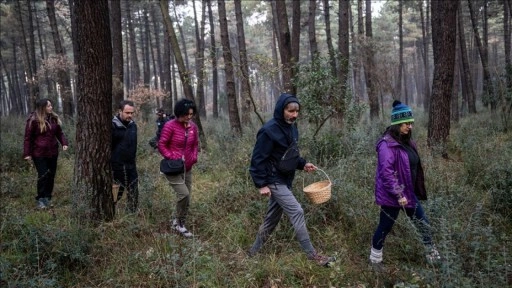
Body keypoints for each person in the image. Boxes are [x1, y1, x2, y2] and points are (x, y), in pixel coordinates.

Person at [247, 93, 336, 267]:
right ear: (281, 110)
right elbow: (257, 159)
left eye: (296, 111)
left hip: (285, 179)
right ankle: (314, 257)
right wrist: (261, 184)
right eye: (290, 111)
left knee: (271, 219)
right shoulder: (268, 130)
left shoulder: (292, 127)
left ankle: (252, 253)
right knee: (297, 211)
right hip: (273, 180)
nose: (294, 115)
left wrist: (303, 164)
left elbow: (289, 154)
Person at [369, 100, 441, 270]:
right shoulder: (386, 145)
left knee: (423, 222)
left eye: (411, 123)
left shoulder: (408, 142)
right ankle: (375, 261)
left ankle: (433, 257)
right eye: (406, 123)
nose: (410, 126)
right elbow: (387, 173)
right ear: (396, 124)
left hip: (408, 193)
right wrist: (399, 194)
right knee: (385, 227)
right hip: (392, 196)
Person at [158, 98, 199, 237]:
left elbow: (195, 145)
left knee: (187, 197)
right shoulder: (170, 126)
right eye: (186, 114)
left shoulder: (193, 127)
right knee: (184, 194)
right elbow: (162, 144)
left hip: (187, 168)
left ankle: (178, 221)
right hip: (173, 168)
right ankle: (180, 225)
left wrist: (193, 158)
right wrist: (172, 156)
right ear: (179, 113)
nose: (189, 117)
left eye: (191, 114)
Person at [23, 98, 69, 209]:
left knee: (51, 175)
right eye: (48, 106)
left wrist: (64, 143)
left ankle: (47, 198)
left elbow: (59, 133)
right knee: (43, 175)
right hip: (39, 153)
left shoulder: (53, 118)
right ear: (42, 107)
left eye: (51, 105)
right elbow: (28, 138)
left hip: (53, 151)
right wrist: (27, 154)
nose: (51, 107)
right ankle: (40, 199)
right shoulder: (33, 120)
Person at [112, 100, 139, 213]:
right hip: (117, 166)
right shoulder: (113, 125)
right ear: (120, 111)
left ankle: (131, 214)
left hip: (131, 165)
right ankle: (111, 213)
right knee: (117, 193)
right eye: (127, 113)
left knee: (134, 191)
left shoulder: (133, 126)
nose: (130, 115)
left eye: (132, 113)